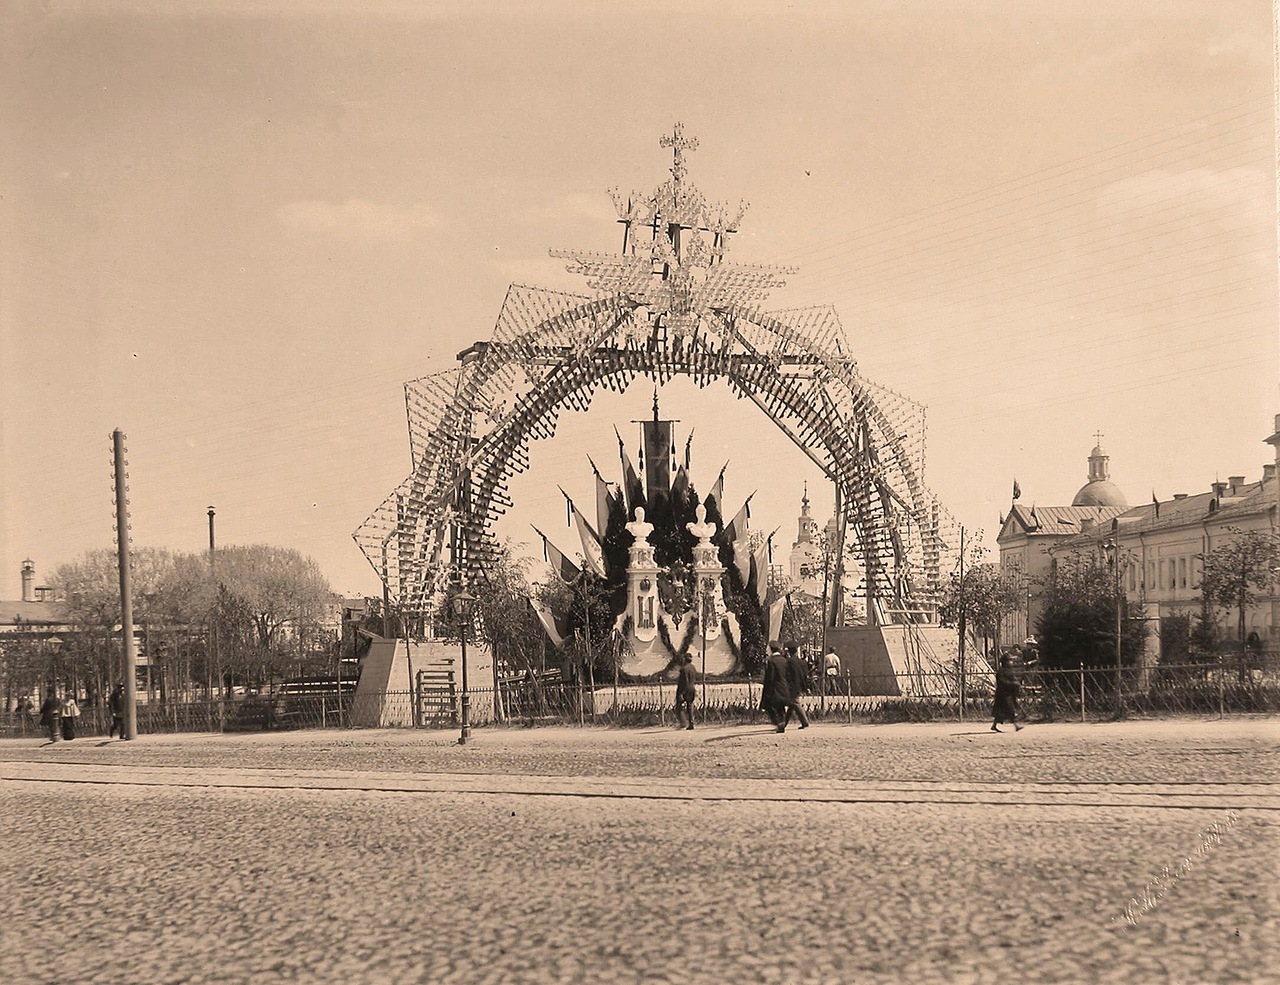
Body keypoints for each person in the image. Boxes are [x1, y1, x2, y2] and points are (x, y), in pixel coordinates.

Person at [760, 642, 792, 732]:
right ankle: (781, 722)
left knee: (769, 706)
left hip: (774, 687)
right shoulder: (784, 660)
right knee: (780, 707)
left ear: (771, 649)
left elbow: (770, 676)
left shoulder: (771, 661)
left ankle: (778, 722)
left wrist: (767, 687)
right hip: (784, 686)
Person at [782, 642, 811, 729]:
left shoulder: (789, 662)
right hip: (799, 686)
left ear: (789, 652)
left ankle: (805, 722)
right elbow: (805, 676)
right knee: (791, 705)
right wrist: (806, 687)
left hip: (791, 686)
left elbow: (787, 675)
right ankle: (784, 724)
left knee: (794, 703)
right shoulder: (802, 662)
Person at [992, 652, 1023, 732]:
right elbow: (1004, 682)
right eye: (1009, 660)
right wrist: (1014, 683)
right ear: (1005, 662)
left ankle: (994, 725)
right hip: (1003, 694)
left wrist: (1017, 684)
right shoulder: (1002, 671)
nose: (1011, 662)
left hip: (1008, 693)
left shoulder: (1008, 671)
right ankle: (1016, 725)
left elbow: (1012, 680)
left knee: (1001, 711)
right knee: (1010, 709)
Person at [674, 654, 697, 730]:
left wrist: (681, 693)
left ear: (684, 659)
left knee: (679, 705)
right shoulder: (693, 668)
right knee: (690, 706)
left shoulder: (683, 669)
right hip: (692, 688)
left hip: (684, 689)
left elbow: (683, 681)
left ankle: (683, 723)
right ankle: (691, 723)